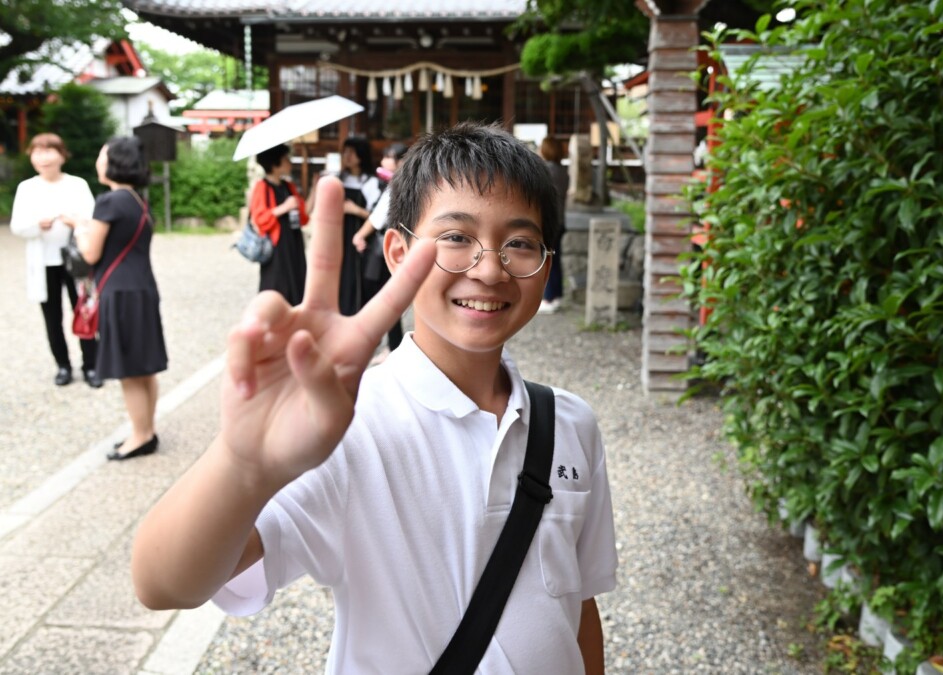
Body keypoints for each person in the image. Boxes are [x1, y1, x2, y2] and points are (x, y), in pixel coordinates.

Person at [131, 122, 618, 674]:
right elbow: (163, 582)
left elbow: (578, 604)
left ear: (545, 265)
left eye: (520, 243)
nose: (488, 268)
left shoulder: (570, 423)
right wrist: (245, 462)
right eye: (456, 237)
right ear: (396, 251)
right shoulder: (345, 426)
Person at [65, 136, 168, 460]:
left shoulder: (109, 201)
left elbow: (91, 252)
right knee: (144, 367)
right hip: (142, 288)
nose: (98, 161)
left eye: (102, 155)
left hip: (121, 293)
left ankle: (139, 436)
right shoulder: (137, 200)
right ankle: (147, 430)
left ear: (115, 162)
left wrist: (79, 229)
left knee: (129, 371)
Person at [10, 132, 101, 387]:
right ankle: (63, 366)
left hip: (76, 261)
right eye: (38, 152)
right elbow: (18, 226)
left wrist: (75, 222)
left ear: (62, 155)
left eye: (49, 150)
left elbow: (92, 219)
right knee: (52, 318)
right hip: (43, 263)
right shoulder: (27, 188)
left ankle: (91, 365)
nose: (44, 157)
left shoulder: (77, 184)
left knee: (84, 312)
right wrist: (37, 225)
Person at [351, 141, 408, 358]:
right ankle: (391, 346)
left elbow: (377, 219)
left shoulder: (396, 185)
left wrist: (359, 235)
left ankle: (380, 345)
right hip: (397, 246)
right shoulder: (409, 184)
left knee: (378, 296)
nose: (383, 161)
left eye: (389, 157)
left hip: (382, 247)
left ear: (401, 161)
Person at [250, 144, 310, 305]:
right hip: (276, 247)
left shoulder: (288, 186)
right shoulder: (262, 187)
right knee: (276, 287)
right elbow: (259, 219)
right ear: (275, 163)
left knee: (297, 283)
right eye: (285, 159)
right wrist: (284, 208)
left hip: (294, 243)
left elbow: (304, 217)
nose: (289, 162)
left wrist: (316, 189)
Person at [337, 136, 382, 316]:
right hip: (339, 236)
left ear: (361, 156)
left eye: (351, 152)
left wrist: (355, 210)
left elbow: (377, 217)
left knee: (355, 279)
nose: (346, 156)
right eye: (344, 152)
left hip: (360, 240)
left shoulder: (370, 182)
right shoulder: (339, 179)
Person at [537, 136, 569, 315]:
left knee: (547, 259)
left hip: (550, 222)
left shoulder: (547, 171)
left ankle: (548, 297)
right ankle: (556, 295)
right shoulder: (562, 170)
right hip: (561, 220)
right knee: (555, 260)